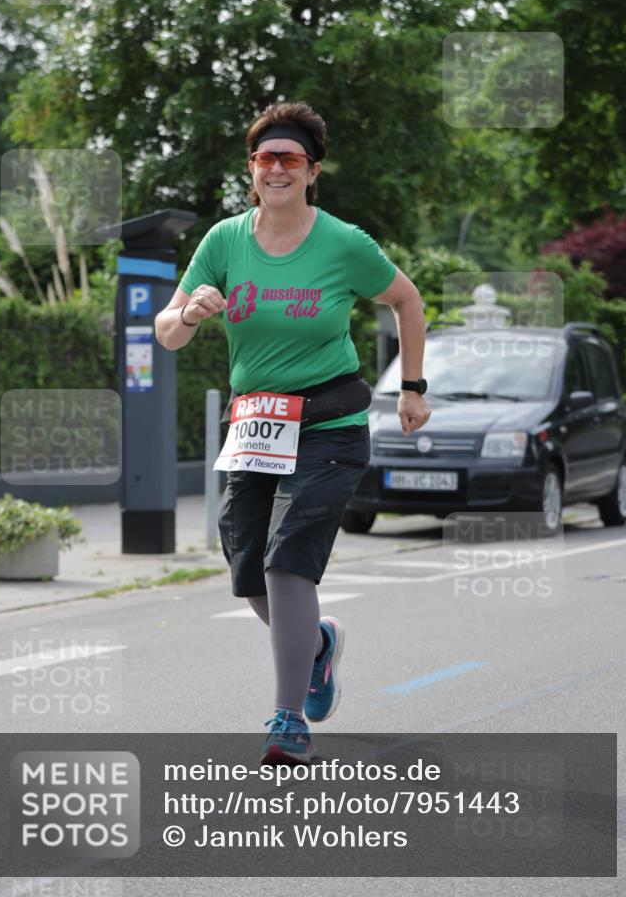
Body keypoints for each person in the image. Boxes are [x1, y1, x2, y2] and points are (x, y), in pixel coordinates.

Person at [155, 101, 430, 765]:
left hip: (330, 423)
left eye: (289, 159)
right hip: (255, 425)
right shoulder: (224, 241)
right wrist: (189, 313)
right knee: (249, 570)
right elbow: (166, 334)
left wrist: (412, 387)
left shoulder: (343, 243)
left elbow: (406, 299)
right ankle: (318, 645)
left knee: (287, 560)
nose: (275, 169)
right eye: (264, 158)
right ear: (251, 170)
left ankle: (287, 720)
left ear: (312, 172)